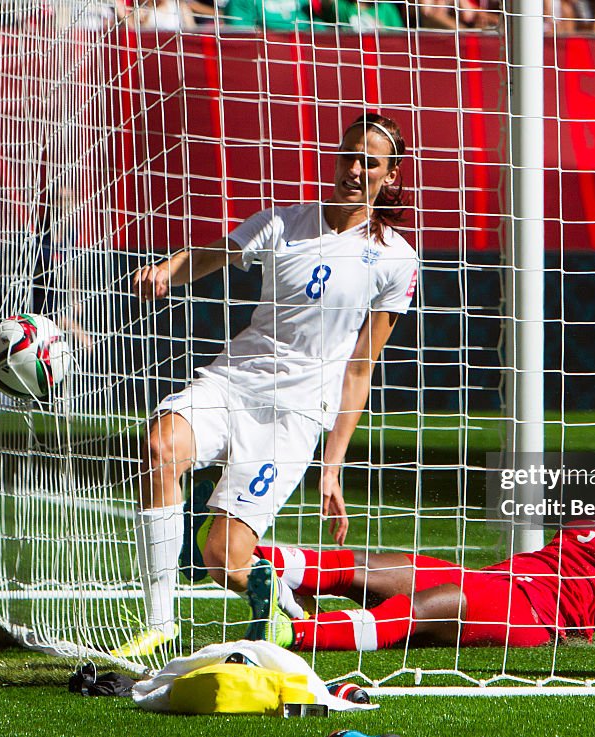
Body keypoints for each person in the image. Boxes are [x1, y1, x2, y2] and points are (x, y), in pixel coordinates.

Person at [111, 113, 419, 658]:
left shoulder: (397, 260)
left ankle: (286, 606)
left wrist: (333, 466)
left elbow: (359, 369)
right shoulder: (283, 222)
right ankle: (160, 620)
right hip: (232, 383)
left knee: (224, 560)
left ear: (390, 175)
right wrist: (170, 267)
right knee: (161, 445)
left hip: (294, 418)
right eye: (348, 154)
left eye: (369, 162)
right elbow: (213, 255)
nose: (354, 168)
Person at [243, 433, 595, 655]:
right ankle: (252, 558)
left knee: (430, 606)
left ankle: (287, 635)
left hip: (533, 614)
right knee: (383, 567)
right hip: (500, 579)